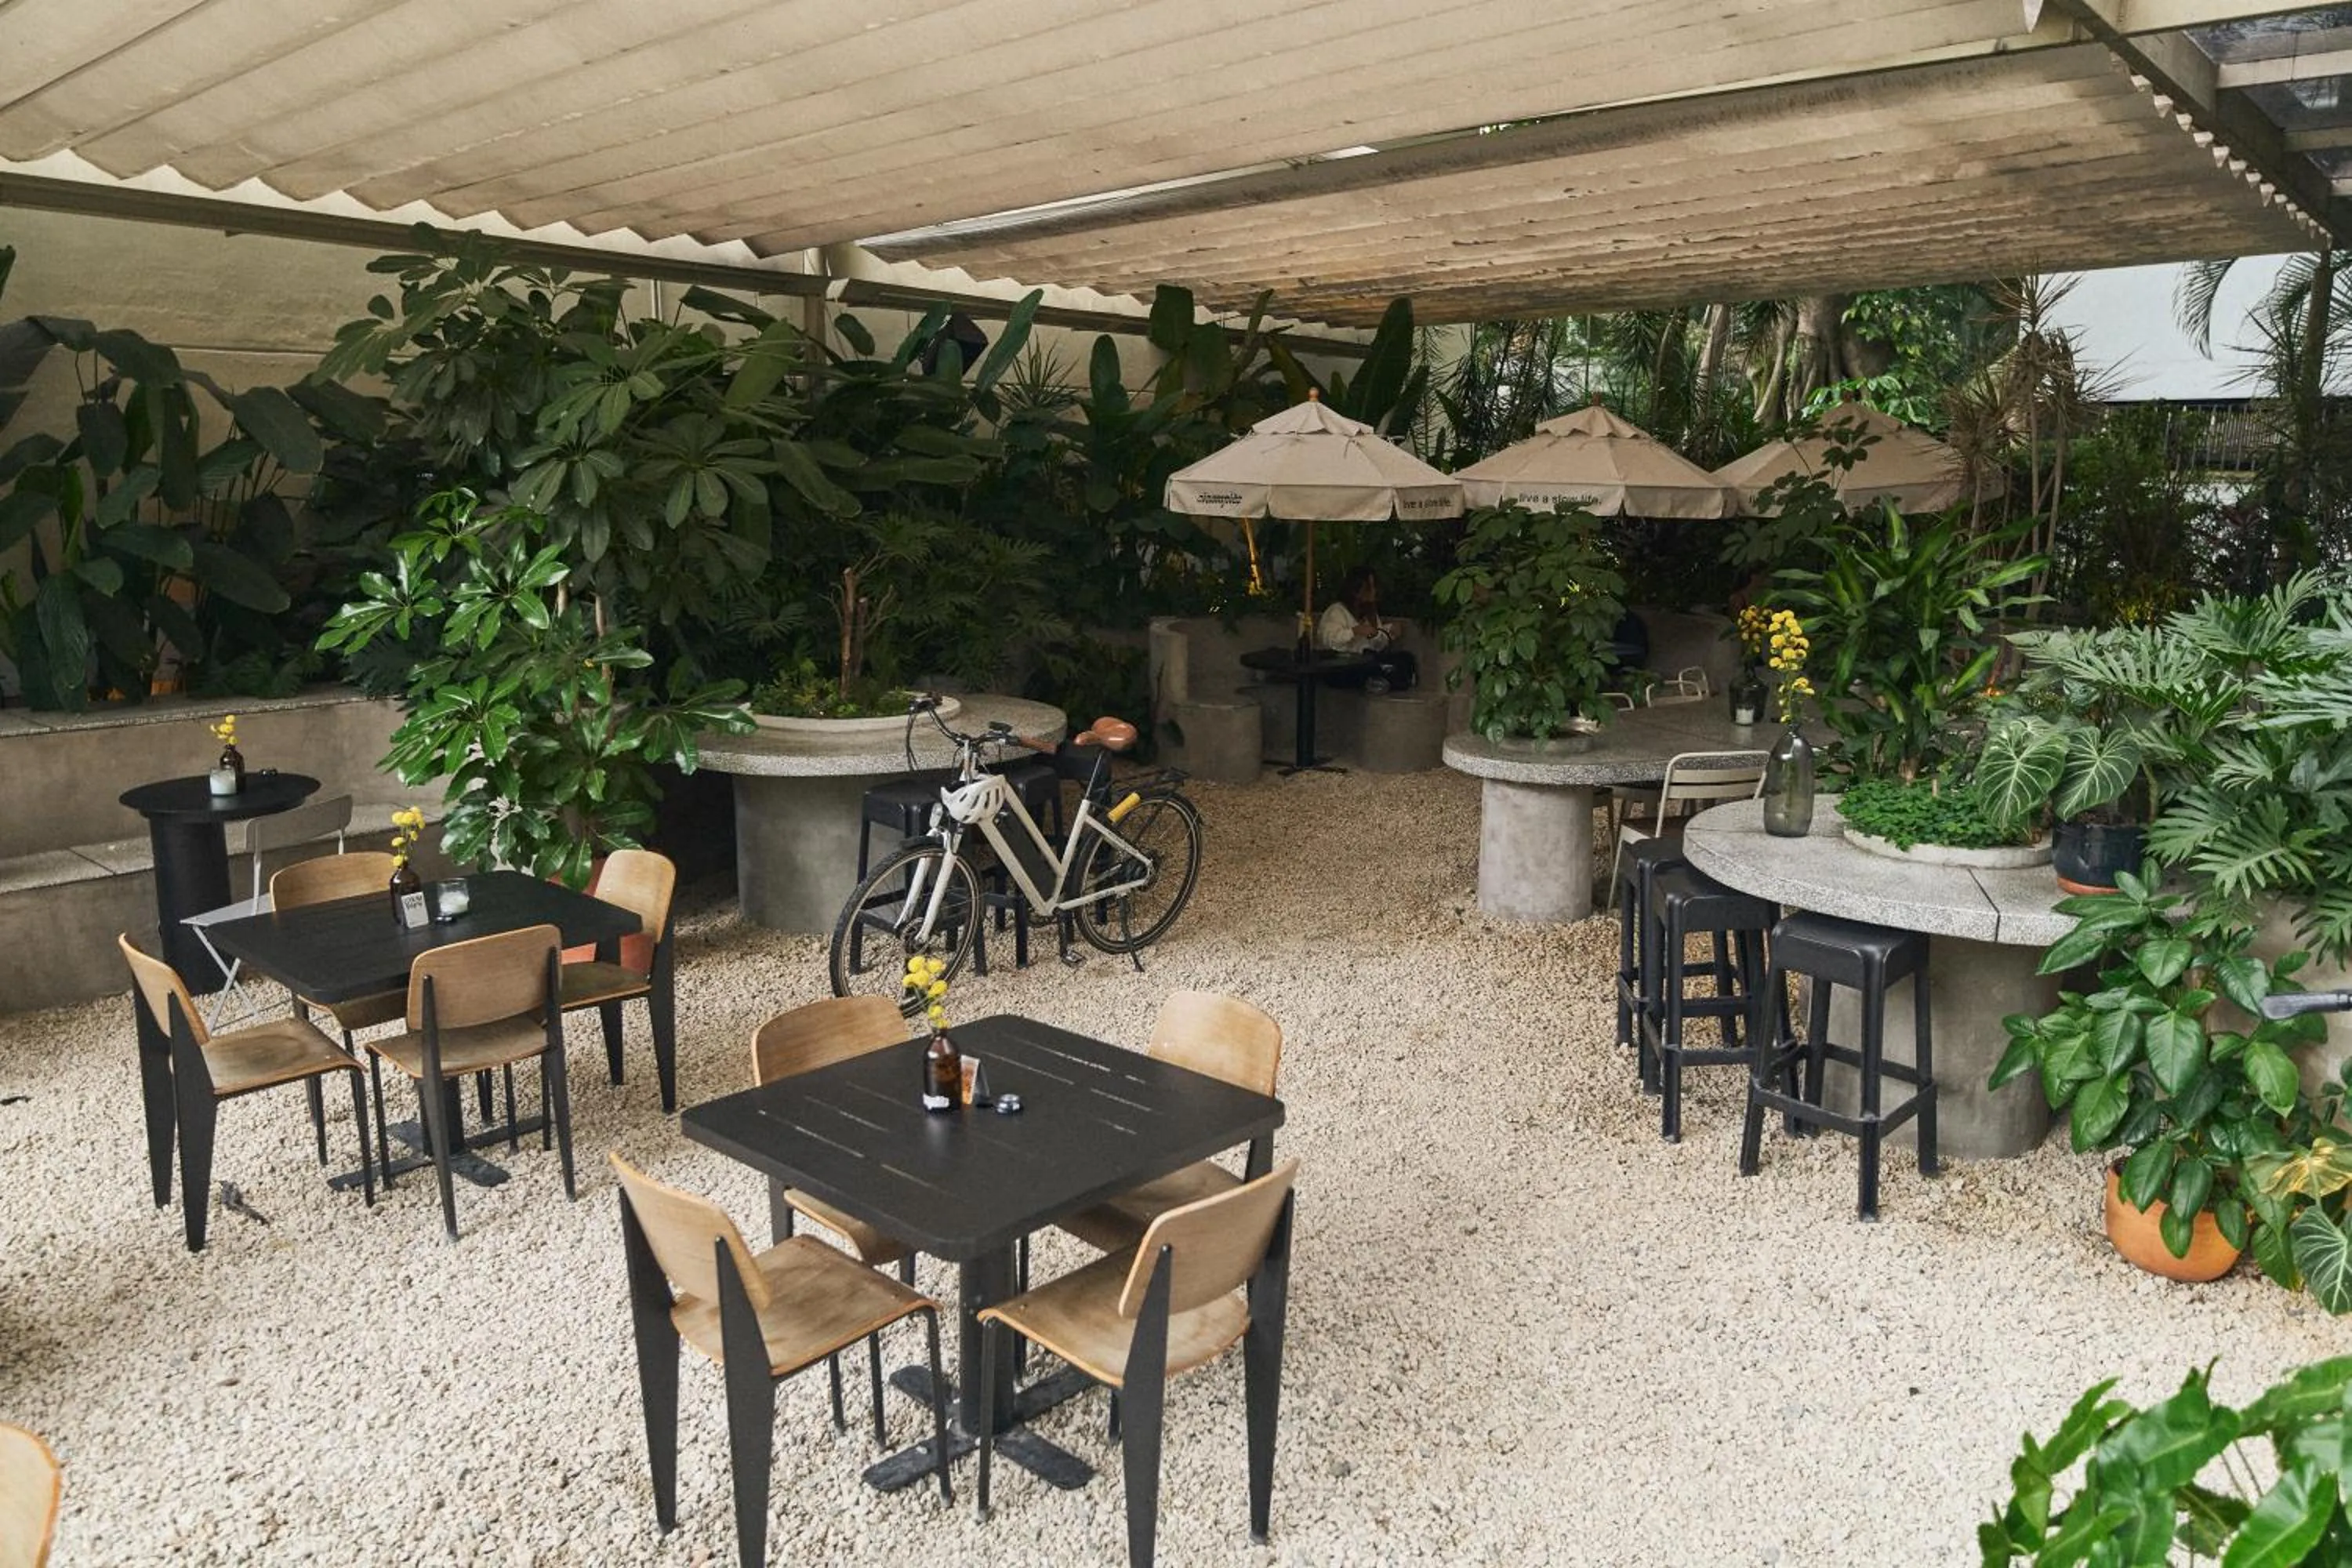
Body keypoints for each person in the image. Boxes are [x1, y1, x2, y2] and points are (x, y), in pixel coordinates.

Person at [1316, 567, 1417, 693]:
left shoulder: (1369, 612)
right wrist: (1354, 632)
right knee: (1361, 669)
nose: (1374, 591)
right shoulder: (1337, 611)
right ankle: (1380, 680)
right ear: (1356, 590)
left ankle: (1382, 680)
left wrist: (1389, 631)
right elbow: (1330, 641)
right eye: (1370, 587)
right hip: (1342, 666)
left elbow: (1376, 644)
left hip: (1367, 659)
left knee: (1405, 658)